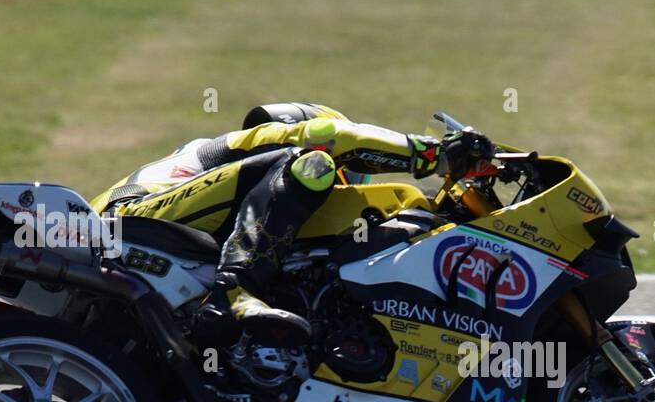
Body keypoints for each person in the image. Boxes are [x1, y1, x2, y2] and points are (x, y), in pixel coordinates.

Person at [89, 102, 493, 341]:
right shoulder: (257, 143)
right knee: (310, 163)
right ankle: (234, 292)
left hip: (134, 261)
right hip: (131, 225)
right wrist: (436, 156)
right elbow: (332, 136)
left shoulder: (230, 189)